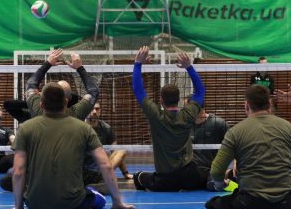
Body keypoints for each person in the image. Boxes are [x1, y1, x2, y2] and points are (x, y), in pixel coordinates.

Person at [2, 83, 134, 209]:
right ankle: (94, 191)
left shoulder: (25, 128)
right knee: (100, 201)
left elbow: (18, 171)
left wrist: (18, 207)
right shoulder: (84, 128)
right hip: (75, 205)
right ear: (66, 102)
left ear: (41, 105)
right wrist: (117, 202)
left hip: (36, 206)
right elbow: (105, 165)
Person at [205, 85, 291, 209]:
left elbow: (216, 171)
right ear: (269, 104)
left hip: (248, 203)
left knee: (212, 203)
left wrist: (221, 186)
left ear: (246, 105)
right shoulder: (288, 127)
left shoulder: (235, 132)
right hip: (286, 203)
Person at [131, 46, 208, 191]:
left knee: (138, 177)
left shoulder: (156, 116)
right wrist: (189, 67)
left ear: (161, 100)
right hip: (189, 176)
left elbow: (138, 90)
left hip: (166, 179)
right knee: (206, 175)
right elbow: (200, 91)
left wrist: (138, 64)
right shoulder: (188, 114)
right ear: (178, 99)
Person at [85, 104, 132, 181]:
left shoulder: (106, 128)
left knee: (121, 152)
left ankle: (102, 175)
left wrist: (125, 173)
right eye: (91, 108)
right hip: (84, 170)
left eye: (97, 109)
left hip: (101, 170)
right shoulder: (80, 127)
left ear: (100, 111)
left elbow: (115, 151)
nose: (94, 112)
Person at [191, 106, 229, 172]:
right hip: (190, 172)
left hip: (212, 171)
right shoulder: (185, 125)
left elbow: (233, 146)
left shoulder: (219, 124)